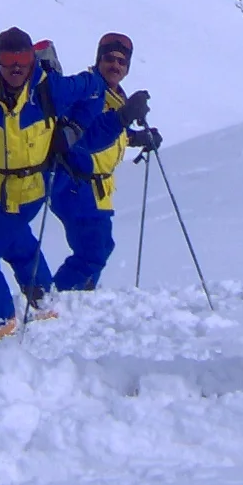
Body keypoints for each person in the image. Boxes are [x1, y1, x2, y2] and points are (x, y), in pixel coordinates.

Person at [0, 28, 112, 335]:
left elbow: (95, 89)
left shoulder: (50, 88)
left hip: (31, 190)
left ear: (32, 60)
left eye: (23, 58)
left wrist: (72, 129)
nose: (16, 67)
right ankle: (43, 300)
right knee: (18, 245)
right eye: (8, 58)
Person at [47, 31, 153, 293]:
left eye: (122, 61)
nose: (115, 65)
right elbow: (87, 135)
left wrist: (136, 137)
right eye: (109, 59)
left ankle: (75, 297)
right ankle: (54, 302)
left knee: (101, 247)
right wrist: (125, 116)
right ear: (98, 60)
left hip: (97, 190)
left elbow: (110, 133)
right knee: (91, 251)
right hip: (75, 185)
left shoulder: (115, 96)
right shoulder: (87, 92)